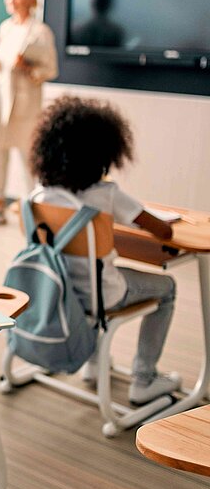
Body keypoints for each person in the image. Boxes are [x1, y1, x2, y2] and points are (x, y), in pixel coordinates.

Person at [31, 96, 180, 405]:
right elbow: (163, 231)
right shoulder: (106, 193)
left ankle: (93, 363)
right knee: (167, 288)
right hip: (103, 294)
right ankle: (144, 378)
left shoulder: (41, 195)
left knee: (92, 275)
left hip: (60, 289)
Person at [0, 0, 58, 226]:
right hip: (2, 98)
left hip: (25, 103)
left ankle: (35, 207)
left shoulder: (40, 32)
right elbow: (4, 64)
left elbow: (50, 70)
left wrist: (26, 67)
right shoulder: (6, 27)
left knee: (28, 156)